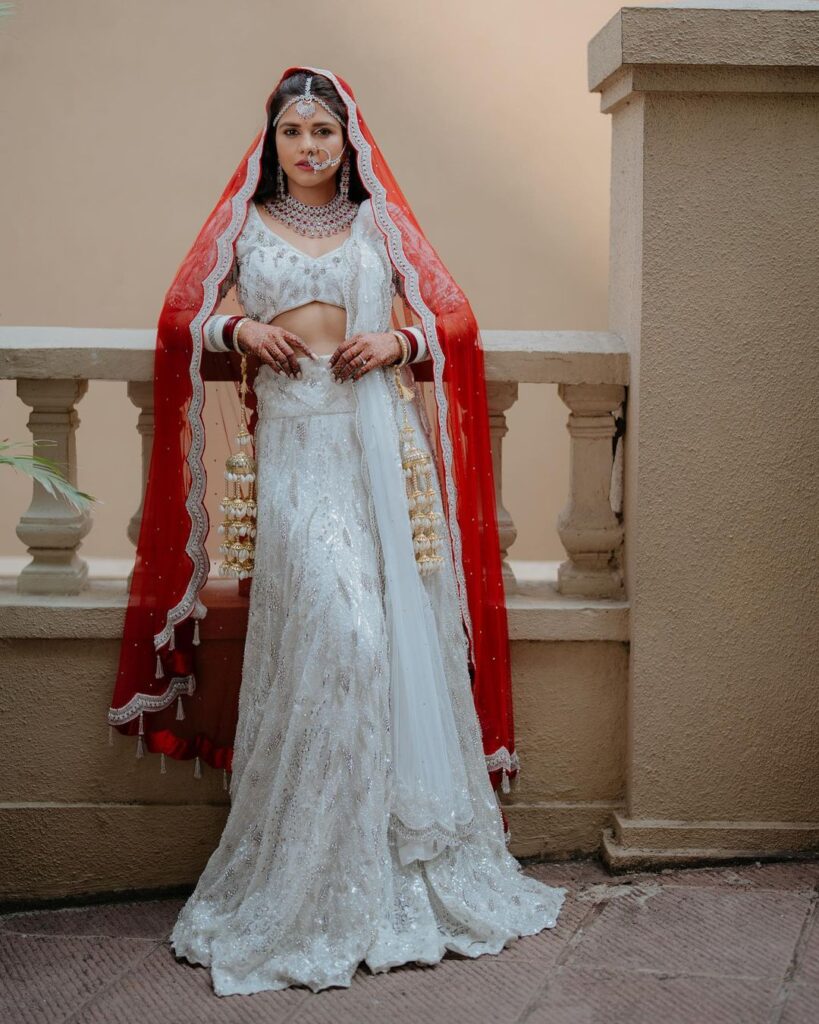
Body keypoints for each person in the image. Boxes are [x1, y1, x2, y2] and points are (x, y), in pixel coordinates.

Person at [108, 66, 566, 996]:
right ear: (270, 144)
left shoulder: (376, 224)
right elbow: (177, 315)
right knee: (333, 635)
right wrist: (237, 330)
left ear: (348, 142)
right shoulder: (242, 225)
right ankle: (307, 867)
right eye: (293, 134)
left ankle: (389, 864)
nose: (309, 148)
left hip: (376, 450)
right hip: (299, 458)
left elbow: (455, 318)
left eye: (323, 133)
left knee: (388, 639)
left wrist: (399, 344)